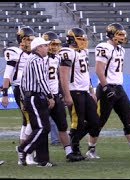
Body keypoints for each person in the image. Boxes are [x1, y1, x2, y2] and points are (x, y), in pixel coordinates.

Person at [88, 22, 130, 159]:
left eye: (123, 34)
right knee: (99, 120)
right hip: (106, 87)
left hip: (119, 87)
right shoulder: (104, 47)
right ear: (111, 35)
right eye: (119, 34)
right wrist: (105, 87)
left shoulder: (121, 49)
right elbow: (99, 70)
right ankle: (90, 149)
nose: (122, 37)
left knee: (128, 117)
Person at [59, 27, 100, 160]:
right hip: (74, 91)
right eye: (80, 39)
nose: (83, 42)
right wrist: (67, 95)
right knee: (78, 123)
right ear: (72, 39)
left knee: (95, 122)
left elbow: (85, 74)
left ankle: (72, 142)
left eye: (84, 39)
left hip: (84, 91)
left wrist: (91, 89)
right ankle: (73, 149)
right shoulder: (67, 52)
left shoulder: (83, 52)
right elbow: (63, 76)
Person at [42, 31, 84, 162]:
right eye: (52, 44)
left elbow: (60, 78)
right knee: (41, 127)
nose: (54, 47)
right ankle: (34, 154)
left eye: (56, 44)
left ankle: (69, 152)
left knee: (62, 125)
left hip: (56, 95)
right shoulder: (40, 59)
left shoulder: (58, 58)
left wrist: (62, 94)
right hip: (43, 96)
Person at [1, 26, 37, 165]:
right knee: (31, 121)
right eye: (26, 39)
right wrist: (4, 93)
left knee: (26, 121)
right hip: (21, 90)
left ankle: (23, 152)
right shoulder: (15, 52)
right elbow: (7, 74)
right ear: (20, 40)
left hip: (32, 89)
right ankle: (26, 153)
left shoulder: (33, 53)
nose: (29, 42)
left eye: (30, 39)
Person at [18, 37, 56, 167]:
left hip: (33, 96)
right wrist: (50, 96)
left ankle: (42, 159)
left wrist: (24, 99)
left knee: (42, 128)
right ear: (38, 48)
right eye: (45, 46)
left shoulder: (32, 59)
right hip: (35, 97)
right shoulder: (37, 60)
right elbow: (41, 80)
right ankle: (23, 149)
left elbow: (23, 81)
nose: (47, 48)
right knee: (42, 128)